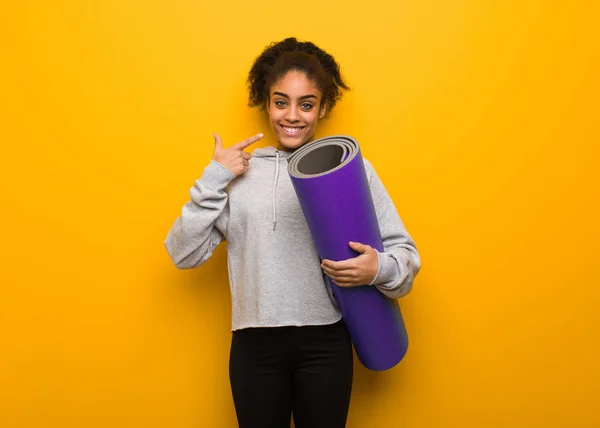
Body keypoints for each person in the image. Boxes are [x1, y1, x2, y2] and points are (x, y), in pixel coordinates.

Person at [164, 37, 421, 428]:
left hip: (325, 343)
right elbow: (182, 254)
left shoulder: (353, 171)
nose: (292, 116)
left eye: (307, 104)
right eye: (281, 102)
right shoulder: (237, 176)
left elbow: (405, 258)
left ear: (323, 108)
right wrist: (214, 178)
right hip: (254, 346)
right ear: (266, 103)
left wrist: (377, 270)